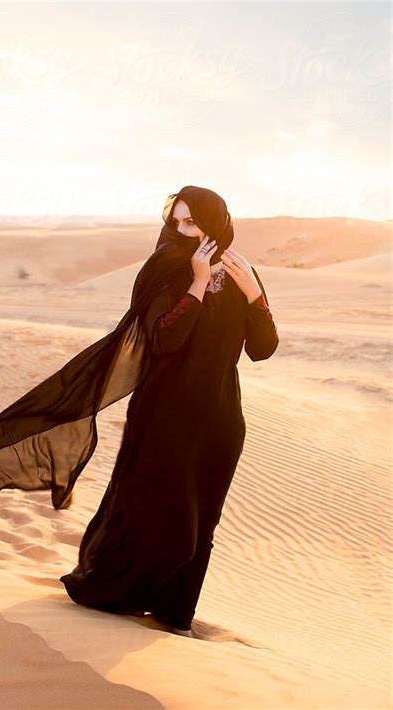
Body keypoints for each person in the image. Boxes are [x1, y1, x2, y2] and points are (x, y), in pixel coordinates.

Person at [59, 186, 280, 637]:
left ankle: (173, 612)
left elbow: (262, 349)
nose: (182, 231)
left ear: (215, 222)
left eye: (192, 222)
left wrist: (255, 296)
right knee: (154, 510)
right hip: (164, 412)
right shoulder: (164, 269)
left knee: (203, 521)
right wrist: (197, 283)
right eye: (177, 221)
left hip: (220, 418)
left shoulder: (243, 272)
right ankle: (114, 594)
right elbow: (164, 340)